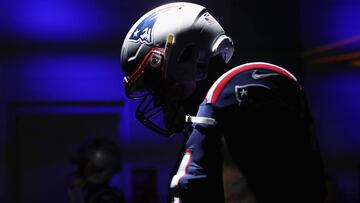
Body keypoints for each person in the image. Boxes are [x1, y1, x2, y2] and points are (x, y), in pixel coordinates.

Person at [120, 2, 326, 202]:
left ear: (185, 57)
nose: (158, 101)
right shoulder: (209, 114)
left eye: (157, 86)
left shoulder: (241, 91)